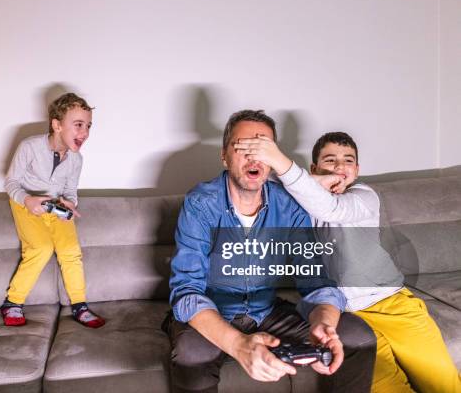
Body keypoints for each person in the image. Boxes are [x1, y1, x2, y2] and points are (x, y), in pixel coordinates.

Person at [165, 110, 376, 393]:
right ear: (225, 157)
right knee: (192, 353)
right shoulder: (201, 204)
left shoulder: (289, 205)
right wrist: (238, 344)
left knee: (356, 336)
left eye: (262, 149)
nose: (254, 158)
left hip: (265, 310)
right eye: (243, 148)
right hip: (212, 312)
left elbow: (316, 281)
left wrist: (323, 324)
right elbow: (187, 293)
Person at [235, 131, 461, 392]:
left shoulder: (363, 195)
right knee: (385, 386)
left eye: (348, 161)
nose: (340, 167)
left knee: (442, 383)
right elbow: (266, 182)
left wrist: (289, 165)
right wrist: (316, 180)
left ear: (358, 169)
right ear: (314, 168)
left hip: (392, 305)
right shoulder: (301, 201)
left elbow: (330, 208)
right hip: (344, 318)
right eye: (330, 161)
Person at [0, 92, 105, 329]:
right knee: (41, 247)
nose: (85, 132)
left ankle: (79, 305)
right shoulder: (29, 147)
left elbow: (71, 191)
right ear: (57, 125)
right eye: (78, 125)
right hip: (26, 203)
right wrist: (27, 200)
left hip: (55, 206)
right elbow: (11, 183)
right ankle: (12, 302)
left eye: (88, 126)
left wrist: (70, 203)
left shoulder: (77, 160)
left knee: (71, 251)